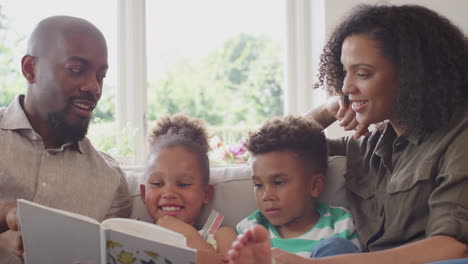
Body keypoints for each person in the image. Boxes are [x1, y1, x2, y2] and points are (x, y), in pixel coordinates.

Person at [227, 4, 468, 264]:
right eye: (344, 72)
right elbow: (279, 151)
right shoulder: (371, 145)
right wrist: (330, 108)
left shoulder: (459, 136)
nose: (346, 86)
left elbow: (453, 248)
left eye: (362, 73)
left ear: (412, 76)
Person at [0, 16, 132, 263]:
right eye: (77, 70)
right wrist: (6, 213)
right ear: (30, 69)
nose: (94, 87)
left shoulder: (110, 180)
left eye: (101, 76)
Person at [234, 115, 360, 259]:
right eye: (258, 185)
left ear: (315, 185)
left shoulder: (341, 224)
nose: (266, 196)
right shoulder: (250, 230)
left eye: (278, 182)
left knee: (337, 247)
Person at [140, 114, 237, 263]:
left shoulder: (222, 236)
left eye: (183, 184)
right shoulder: (132, 234)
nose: (169, 193)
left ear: (206, 194)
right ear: (143, 193)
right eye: (157, 184)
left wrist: (189, 236)